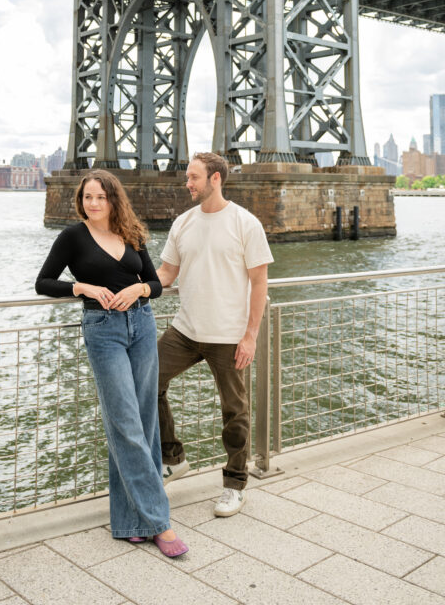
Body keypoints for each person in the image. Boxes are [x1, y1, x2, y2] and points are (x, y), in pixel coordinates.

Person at [35, 169, 188, 558]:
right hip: (103, 330)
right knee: (124, 423)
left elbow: (156, 284)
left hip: (141, 324)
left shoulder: (132, 232)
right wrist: (81, 287)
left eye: (100, 197)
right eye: (88, 197)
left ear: (113, 199)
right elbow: (43, 282)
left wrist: (139, 287)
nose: (93, 203)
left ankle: (129, 521)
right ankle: (159, 523)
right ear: (80, 201)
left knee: (144, 422)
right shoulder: (72, 237)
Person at [156, 151, 272, 517]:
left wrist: (250, 335)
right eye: (188, 177)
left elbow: (259, 283)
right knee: (145, 379)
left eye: (193, 177)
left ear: (215, 179)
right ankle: (172, 458)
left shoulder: (245, 223)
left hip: (228, 335)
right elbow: (166, 274)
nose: (187, 183)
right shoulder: (182, 223)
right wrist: (132, 288)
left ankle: (235, 485)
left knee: (234, 411)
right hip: (185, 330)